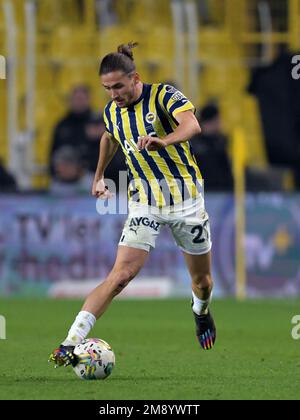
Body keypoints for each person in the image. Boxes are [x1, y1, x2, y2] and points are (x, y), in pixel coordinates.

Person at [49, 42, 216, 368]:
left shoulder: (164, 95)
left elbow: (193, 125)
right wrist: (97, 176)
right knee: (121, 275)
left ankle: (201, 312)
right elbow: (109, 138)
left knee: (203, 282)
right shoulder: (112, 111)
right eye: (107, 88)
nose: (113, 94)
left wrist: (163, 140)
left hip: (186, 202)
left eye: (118, 86)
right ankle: (70, 342)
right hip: (145, 202)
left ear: (135, 78)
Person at [191, 104, 233, 191]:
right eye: (217, 120)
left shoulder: (221, 141)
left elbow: (226, 170)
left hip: (221, 191)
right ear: (211, 121)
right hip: (202, 192)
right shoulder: (193, 143)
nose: (219, 123)